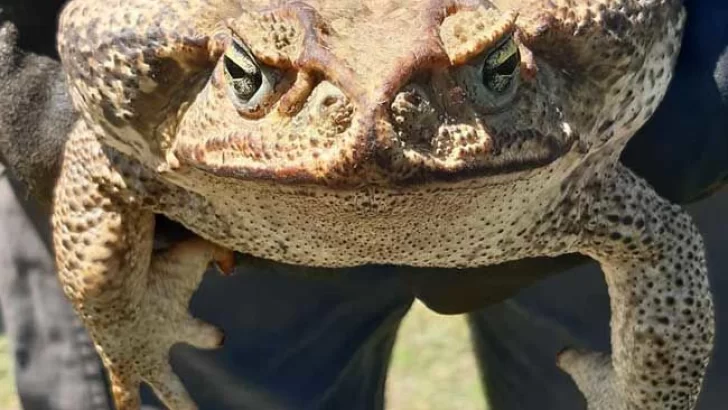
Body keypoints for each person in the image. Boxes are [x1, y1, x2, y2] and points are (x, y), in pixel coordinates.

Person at [0, 0, 725, 409]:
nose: (369, 129)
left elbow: (660, 242)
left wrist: (651, 397)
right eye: (254, 78)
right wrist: (128, 321)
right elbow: (100, 169)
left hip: (571, 154)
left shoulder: (584, 186)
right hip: (221, 203)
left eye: (499, 69)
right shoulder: (169, 151)